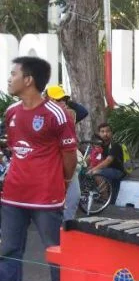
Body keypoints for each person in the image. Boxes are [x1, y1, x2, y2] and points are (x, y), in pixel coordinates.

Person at [0, 56, 77, 281]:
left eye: (13, 74)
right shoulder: (11, 112)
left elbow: (69, 154)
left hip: (46, 197)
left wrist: (64, 182)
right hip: (12, 196)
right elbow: (14, 149)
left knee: (54, 250)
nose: (9, 78)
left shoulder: (56, 114)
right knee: (9, 248)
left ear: (28, 80)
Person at [45, 85, 88, 221]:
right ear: (47, 100)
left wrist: (66, 100)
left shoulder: (69, 115)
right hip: (49, 165)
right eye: (58, 100)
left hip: (68, 163)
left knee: (73, 197)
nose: (62, 102)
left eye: (64, 100)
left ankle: (66, 230)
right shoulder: (40, 116)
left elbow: (83, 111)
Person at [88, 123, 127, 203]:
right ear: (99, 133)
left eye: (107, 131)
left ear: (111, 133)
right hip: (105, 170)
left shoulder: (115, 146)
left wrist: (92, 170)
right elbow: (89, 157)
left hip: (117, 171)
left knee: (96, 172)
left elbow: (107, 161)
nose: (105, 134)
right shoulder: (98, 145)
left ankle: (104, 197)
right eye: (102, 132)